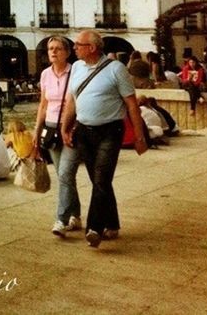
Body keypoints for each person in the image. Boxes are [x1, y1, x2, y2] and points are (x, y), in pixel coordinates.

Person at [61, 30, 147, 248]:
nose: (74, 48)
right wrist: (65, 127)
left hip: (110, 131)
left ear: (92, 48)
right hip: (84, 132)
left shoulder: (116, 69)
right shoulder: (78, 68)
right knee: (100, 181)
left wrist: (139, 136)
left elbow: (131, 104)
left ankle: (94, 228)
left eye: (78, 44)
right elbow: (72, 100)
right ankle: (112, 223)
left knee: (100, 179)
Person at [32, 35, 82, 237]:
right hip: (51, 128)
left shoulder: (76, 72)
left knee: (66, 174)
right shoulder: (45, 74)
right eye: (50, 48)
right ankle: (76, 216)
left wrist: (70, 126)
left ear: (67, 52)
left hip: (70, 128)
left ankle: (61, 219)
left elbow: (76, 102)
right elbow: (43, 105)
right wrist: (36, 131)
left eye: (58, 48)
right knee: (65, 176)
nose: (53, 52)